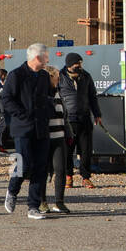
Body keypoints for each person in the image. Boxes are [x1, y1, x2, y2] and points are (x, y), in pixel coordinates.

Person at [0, 43, 54, 220]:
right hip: (23, 127)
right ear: (37, 58)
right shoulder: (16, 75)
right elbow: (6, 99)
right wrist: (22, 114)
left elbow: (48, 97)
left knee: (41, 166)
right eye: (46, 56)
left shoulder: (45, 77)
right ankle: (12, 190)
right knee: (24, 164)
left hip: (41, 128)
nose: (48, 60)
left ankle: (33, 206)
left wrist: (48, 109)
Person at [58, 52, 102, 189]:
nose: (79, 66)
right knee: (67, 150)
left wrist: (97, 114)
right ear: (70, 64)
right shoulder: (60, 77)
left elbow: (92, 96)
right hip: (68, 120)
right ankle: (68, 176)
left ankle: (86, 177)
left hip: (84, 118)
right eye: (77, 63)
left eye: (80, 63)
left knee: (86, 150)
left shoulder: (86, 76)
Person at [40, 66, 71, 214]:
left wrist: (68, 133)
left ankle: (59, 202)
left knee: (60, 169)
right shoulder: (41, 94)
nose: (58, 80)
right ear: (49, 78)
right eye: (56, 77)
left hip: (59, 138)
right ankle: (42, 201)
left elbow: (64, 116)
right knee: (43, 171)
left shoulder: (59, 94)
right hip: (45, 138)